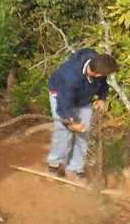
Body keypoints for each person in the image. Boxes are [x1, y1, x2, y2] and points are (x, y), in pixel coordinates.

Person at [45, 49, 117, 179]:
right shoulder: (69, 77)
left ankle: (75, 167)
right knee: (63, 130)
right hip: (60, 95)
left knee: (84, 131)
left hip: (83, 98)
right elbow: (63, 105)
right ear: (97, 73)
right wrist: (70, 121)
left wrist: (102, 97)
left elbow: (103, 83)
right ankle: (54, 162)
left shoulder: (98, 63)